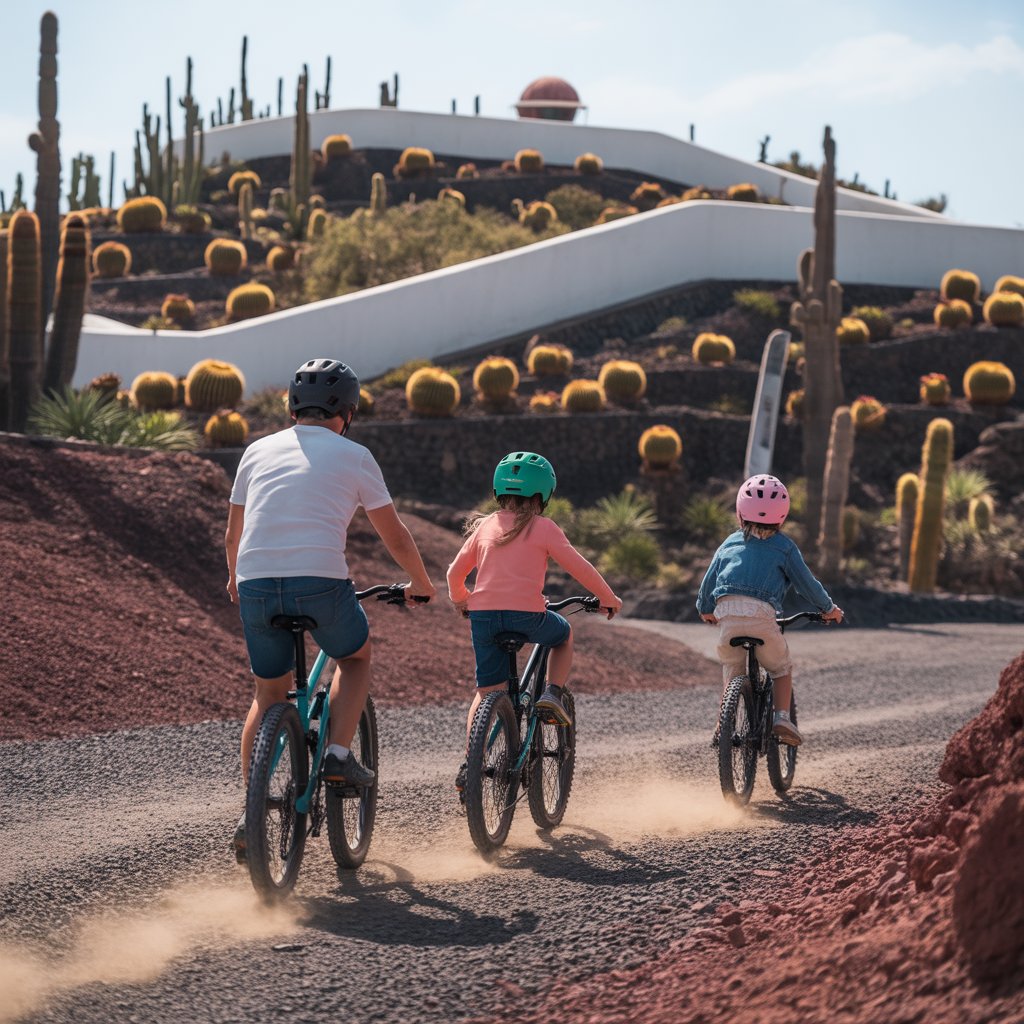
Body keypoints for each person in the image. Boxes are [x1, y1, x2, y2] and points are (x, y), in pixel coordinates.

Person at [225, 358, 436, 858]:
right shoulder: (355, 454)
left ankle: (250, 810)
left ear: (293, 407)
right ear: (348, 411)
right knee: (355, 657)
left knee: (268, 695)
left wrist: (236, 577)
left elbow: (233, 533)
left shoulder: (255, 451)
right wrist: (420, 582)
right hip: (319, 582)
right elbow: (395, 535)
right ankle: (338, 755)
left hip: (255, 583)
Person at [447, 451, 623, 793]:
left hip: (483, 618)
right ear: (544, 494)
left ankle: (472, 762)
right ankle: (552, 693)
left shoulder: (485, 525)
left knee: (486, 694)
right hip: (528, 617)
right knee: (563, 634)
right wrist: (608, 597)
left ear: (499, 491)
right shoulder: (544, 528)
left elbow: (455, 573)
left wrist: (461, 601)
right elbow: (579, 566)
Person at [696, 473, 843, 746]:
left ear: (740, 512)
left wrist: (705, 609)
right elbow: (807, 585)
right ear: (782, 516)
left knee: (732, 671)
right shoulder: (785, 548)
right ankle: (782, 719)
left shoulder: (728, 543)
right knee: (781, 667)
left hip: (727, 617)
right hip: (762, 618)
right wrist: (828, 608)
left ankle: (722, 726)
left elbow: (708, 583)